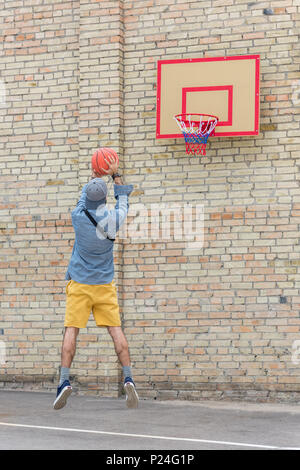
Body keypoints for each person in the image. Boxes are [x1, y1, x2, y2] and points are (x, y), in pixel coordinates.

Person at [53, 154, 139, 410]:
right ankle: (128, 377)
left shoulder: (78, 216)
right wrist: (115, 174)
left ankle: (64, 381)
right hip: (104, 285)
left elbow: (83, 199)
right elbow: (123, 198)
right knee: (116, 330)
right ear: (104, 199)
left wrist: (94, 175)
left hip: (79, 284)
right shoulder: (115, 218)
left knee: (72, 330)